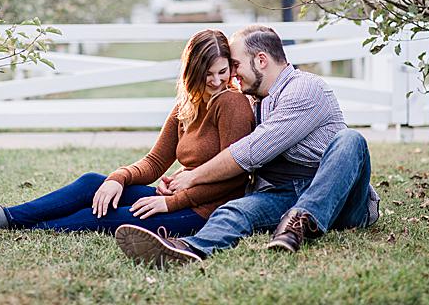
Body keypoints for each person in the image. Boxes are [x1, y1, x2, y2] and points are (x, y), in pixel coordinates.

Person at [114, 24, 380, 268]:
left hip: (341, 197)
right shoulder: (254, 98)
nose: (232, 74)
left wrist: (191, 177)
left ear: (261, 60)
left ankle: (300, 219)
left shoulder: (305, 90)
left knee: (350, 140)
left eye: (235, 64)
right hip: (282, 194)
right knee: (233, 210)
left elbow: (252, 151)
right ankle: (186, 248)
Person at [0, 29, 255, 235]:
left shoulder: (232, 104)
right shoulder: (186, 106)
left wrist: (171, 203)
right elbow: (155, 163)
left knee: (102, 217)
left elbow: (234, 177)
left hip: (205, 211)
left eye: (222, 72)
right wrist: (117, 178)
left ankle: (7, 226)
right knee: (95, 184)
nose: (216, 81)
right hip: (178, 196)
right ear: (192, 73)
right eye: (207, 74)